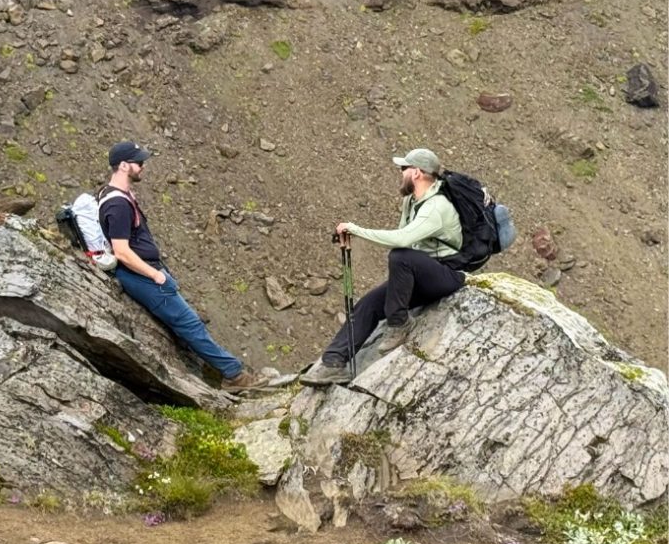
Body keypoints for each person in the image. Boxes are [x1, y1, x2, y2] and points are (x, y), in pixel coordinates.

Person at [99, 141, 267, 391]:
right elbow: (122, 251)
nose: (143, 167)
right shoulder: (117, 204)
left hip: (144, 271)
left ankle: (222, 369)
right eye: (138, 163)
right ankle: (235, 376)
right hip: (143, 275)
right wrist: (156, 275)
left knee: (186, 323)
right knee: (189, 323)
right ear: (123, 166)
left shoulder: (112, 196)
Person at [302, 147, 466, 385]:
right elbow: (402, 236)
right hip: (422, 274)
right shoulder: (412, 202)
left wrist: (355, 229)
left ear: (417, 173)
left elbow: (402, 241)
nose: (400, 173)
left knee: (401, 256)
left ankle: (399, 324)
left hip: (446, 275)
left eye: (404, 169)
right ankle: (332, 363)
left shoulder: (436, 206)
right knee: (368, 304)